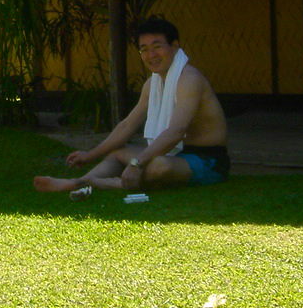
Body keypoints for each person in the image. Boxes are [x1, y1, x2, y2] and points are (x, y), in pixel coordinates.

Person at [33, 18, 229, 198]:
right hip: (177, 155)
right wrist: (89, 155)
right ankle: (78, 182)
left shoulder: (189, 79)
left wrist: (137, 163)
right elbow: (127, 125)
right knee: (118, 152)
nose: (151, 55)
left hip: (208, 160)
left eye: (157, 47)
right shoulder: (152, 84)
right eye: (144, 49)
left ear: (175, 46)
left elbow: (177, 131)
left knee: (159, 165)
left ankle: (101, 183)